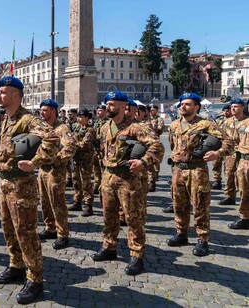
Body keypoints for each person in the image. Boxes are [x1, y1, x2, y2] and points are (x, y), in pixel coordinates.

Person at [0, 76, 58, 305]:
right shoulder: (8, 120)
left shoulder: (27, 119)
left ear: (16, 95)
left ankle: (35, 280)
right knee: (9, 229)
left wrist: (36, 162)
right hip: (5, 184)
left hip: (21, 186)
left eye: (4, 91)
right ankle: (16, 266)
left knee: (26, 232)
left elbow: (51, 137)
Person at [92, 91, 164, 276]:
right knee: (109, 216)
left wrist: (144, 162)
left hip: (128, 180)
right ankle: (109, 246)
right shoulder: (105, 127)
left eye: (112, 104)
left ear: (124, 107)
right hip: (108, 178)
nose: (108, 107)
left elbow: (157, 146)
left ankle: (137, 255)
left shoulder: (135, 127)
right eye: (107, 103)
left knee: (134, 218)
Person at [167, 93, 232, 257]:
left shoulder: (205, 125)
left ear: (196, 107)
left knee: (200, 205)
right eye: (181, 103)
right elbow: (172, 145)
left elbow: (229, 142)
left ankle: (203, 239)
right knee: (178, 204)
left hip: (197, 171)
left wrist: (217, 154)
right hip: (178, 170)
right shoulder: (174, 125)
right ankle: (181, 233)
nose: (183, 106)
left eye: (187, 104)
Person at [37, 99, 76, 250]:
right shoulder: (42, 128)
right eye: (41, 110)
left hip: (56, 171)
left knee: (57, 203)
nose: (42, 113)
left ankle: (63, 234)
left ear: (53, 111)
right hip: (42, 170)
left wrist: (56, 159)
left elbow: (71, 147)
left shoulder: (62, 128)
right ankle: (50, 228)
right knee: (44, 201)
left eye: (45, 110)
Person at [219, 99, 247, 205]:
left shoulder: (247, 121)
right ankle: (230, 196)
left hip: (243, 154)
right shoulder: (227, 122)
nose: (233, 108)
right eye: (232, 107)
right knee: (229, 174)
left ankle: (244, 198)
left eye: (236, 106)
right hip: (230, 153)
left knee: (243, 177)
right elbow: (221, 136)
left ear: (242, 107)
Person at [68, 108, 95, 216]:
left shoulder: (90, 130)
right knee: (76, 181)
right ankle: (77, 201)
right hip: (76, 159)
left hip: (86, 160)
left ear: (87, 118)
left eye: (81, 117)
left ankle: (88, 205)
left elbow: (85, 144)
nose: (79, 119)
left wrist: (73, 145)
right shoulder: (76, 128)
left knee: (86, 183)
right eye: (78, 116)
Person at [228, 100, 249, 229]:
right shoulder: (244, 123)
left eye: (236, 106)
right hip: (244, 161)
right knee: (244, 190)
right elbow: (234, 139)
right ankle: (245, 218)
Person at [212, 104, 232, 190]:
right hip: (219, 145)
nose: (226, 112)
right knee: (216, 164)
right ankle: (217, 181)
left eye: (228, 110)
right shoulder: (219, 121)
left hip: (229, 146)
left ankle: (230, 184)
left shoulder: (233, 121)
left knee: (229, 166)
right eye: (225, 110)